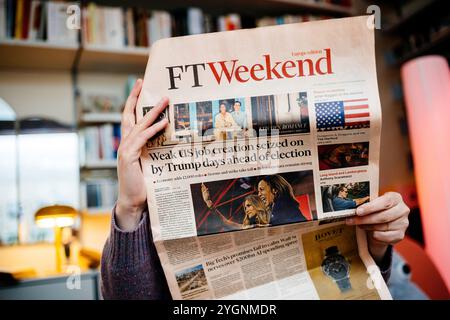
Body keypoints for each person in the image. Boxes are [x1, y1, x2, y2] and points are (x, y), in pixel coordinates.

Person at [101, 79, 411, 299]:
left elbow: (360, 289)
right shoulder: (164, 218)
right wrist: (130, 206)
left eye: (255, 200)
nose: (251, 204)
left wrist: (376, 245)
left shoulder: (283, 204)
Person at [201, 183, 270, 229]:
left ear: (257, 204)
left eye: (248, 206)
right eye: (245, 207)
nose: (246, 210)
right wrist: (208, 201)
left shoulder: (272, 219)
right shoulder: (246, 227)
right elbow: (224, 222)